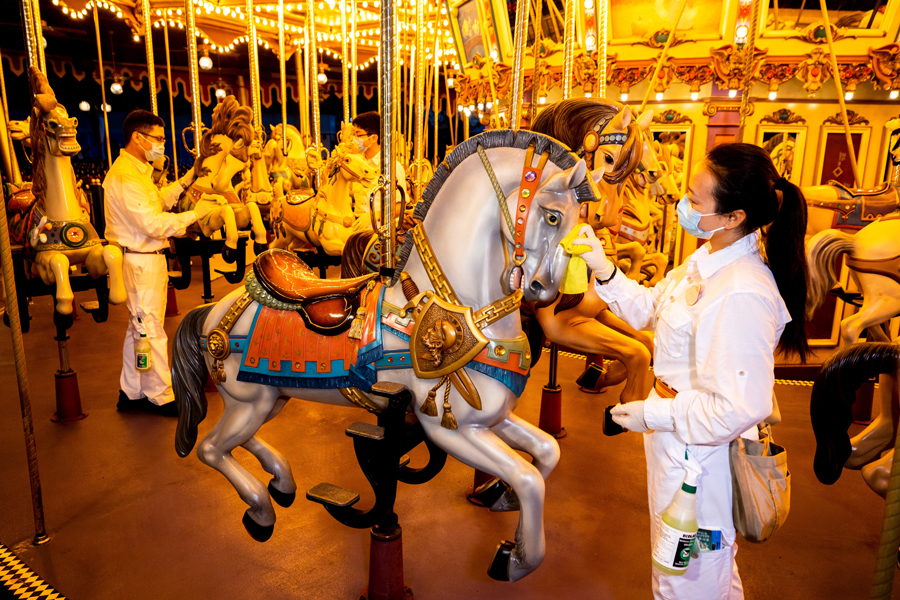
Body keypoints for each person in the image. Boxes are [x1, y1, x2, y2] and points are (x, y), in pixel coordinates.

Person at [573, 143, 809, 599]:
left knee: (686, 577)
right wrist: (603, 269)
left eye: (695, 200)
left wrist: (651, 414)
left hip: (701, 455)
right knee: (693, 570)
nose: (683, 205)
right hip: (676, 443)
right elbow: (651, 310)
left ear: (732, 216)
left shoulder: (741, 291)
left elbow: (739, 406)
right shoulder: (703, 261)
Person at [103, 109, 215, 416]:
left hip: (145, 259)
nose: (162, 144)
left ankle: (132, 389)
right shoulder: (126, 177)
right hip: (141, 262)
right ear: (138, 138)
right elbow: (152, 223)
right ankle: (161, 395)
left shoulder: (137, 173)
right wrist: (196, 213)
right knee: (150, 328)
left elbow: (157, 200)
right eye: (158, 138)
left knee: (137, 329)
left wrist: (189, 178)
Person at [349, 111, 409, 216]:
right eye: (354, 135)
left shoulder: (392, 167)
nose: (354, 139)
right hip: (357, 225)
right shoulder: (357, 163)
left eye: (358, 135)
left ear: (373, 138)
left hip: (378, 228)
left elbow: (400, 207)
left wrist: (373, 216)